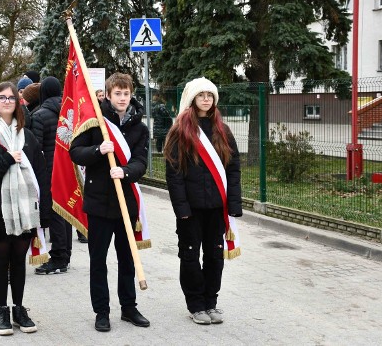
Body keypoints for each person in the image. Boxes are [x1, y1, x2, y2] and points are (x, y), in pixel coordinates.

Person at [69, 73, 150, 332]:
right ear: (108, 94)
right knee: (99, 260)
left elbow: (140, 161)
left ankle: (128, 307)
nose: (122, 98)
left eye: (126, 93)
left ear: (131, 94)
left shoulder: (140, 127)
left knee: (127, 259)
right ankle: (101, 311)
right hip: (99, 203)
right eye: (117, 93)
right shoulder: (95, 122)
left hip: (126, 202)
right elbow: (75, 152)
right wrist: (98, 151)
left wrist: (126, 172)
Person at [0, 81, 50, 336]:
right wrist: (5, 159)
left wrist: (44, 211)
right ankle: (1, 309)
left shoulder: (29, 137)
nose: (6, 102)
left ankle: (19, 308)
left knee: (18, 260)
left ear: (18, 102)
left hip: (26, 209)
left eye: (11, 98)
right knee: (1, 260)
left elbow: (41, 175)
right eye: (1, 98)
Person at [163, 77, 242, 325]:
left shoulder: (223, 130)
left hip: (217, 208)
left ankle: (211, 302)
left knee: (215, 256)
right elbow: (173, 173)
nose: (206, 99)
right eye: (201, 95)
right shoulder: (180, 130)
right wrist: (181, 208)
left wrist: (234, 204)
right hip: (191, 209)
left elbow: (233, 169)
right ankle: (196, 305)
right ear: (193, 99)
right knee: (189, 256)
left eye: (210, 95)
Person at [31, 76, 72, 275]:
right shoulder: (69, 112)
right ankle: (66, 254)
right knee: (66, 212)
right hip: (68, 168)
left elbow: (35, 147)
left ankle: (58, 258)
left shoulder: (39, 115)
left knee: (55, 212)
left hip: (48, 170)